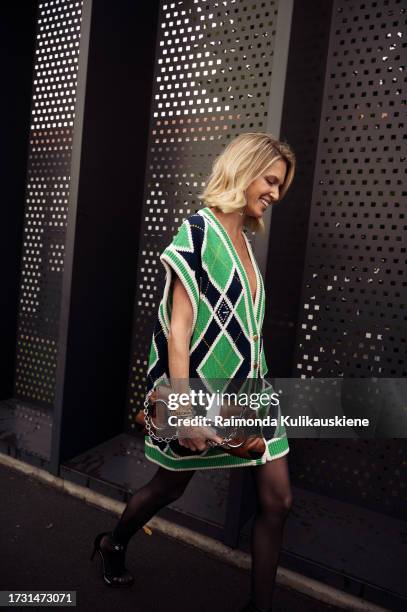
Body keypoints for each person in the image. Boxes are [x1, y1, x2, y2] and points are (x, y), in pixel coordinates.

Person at [91, 132, 296, 612]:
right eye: (270, 180)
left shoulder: (244, 241)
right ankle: (113, 543)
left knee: (278, 502)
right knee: (170, 485)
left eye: (281, 186)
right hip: (199, 394)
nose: (275, 193)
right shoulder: (198, 233)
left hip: (251, 393)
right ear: (244, 170)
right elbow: (179, 332)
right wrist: (183, 410)